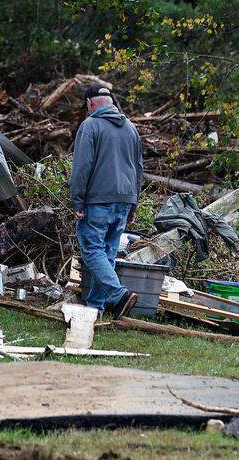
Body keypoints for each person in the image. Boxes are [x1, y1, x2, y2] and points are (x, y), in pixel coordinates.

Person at [70, 84, 143, 318]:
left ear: (90, 103)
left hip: (98, 201)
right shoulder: (131, 128)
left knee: (92, 250)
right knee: (108, 253)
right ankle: (95, 308)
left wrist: (77, 201)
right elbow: (138, 169)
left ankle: (119, 295)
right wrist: (133, 203)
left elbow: (82, 167)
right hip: (124, 199)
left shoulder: (90, 126)